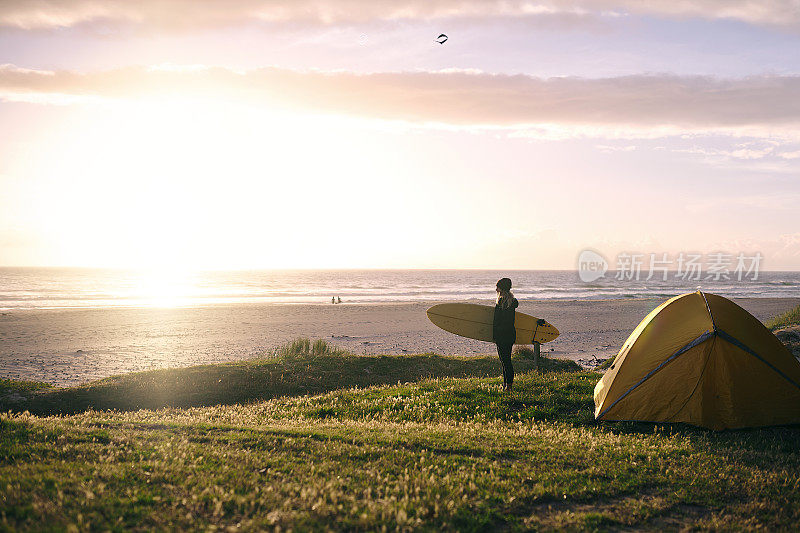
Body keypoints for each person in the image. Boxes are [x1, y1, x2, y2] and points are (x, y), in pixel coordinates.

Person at [493, 277, 518, 393]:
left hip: (502, 336)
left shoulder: (501, 302)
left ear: (501, 288)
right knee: (506, 361)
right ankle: (507, 385)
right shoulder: (512, 302)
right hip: (510, 335)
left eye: (497, 287)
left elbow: (496, 321)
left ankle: (508, 386)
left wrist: (495, 335)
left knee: (505, 361)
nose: (496, 289)